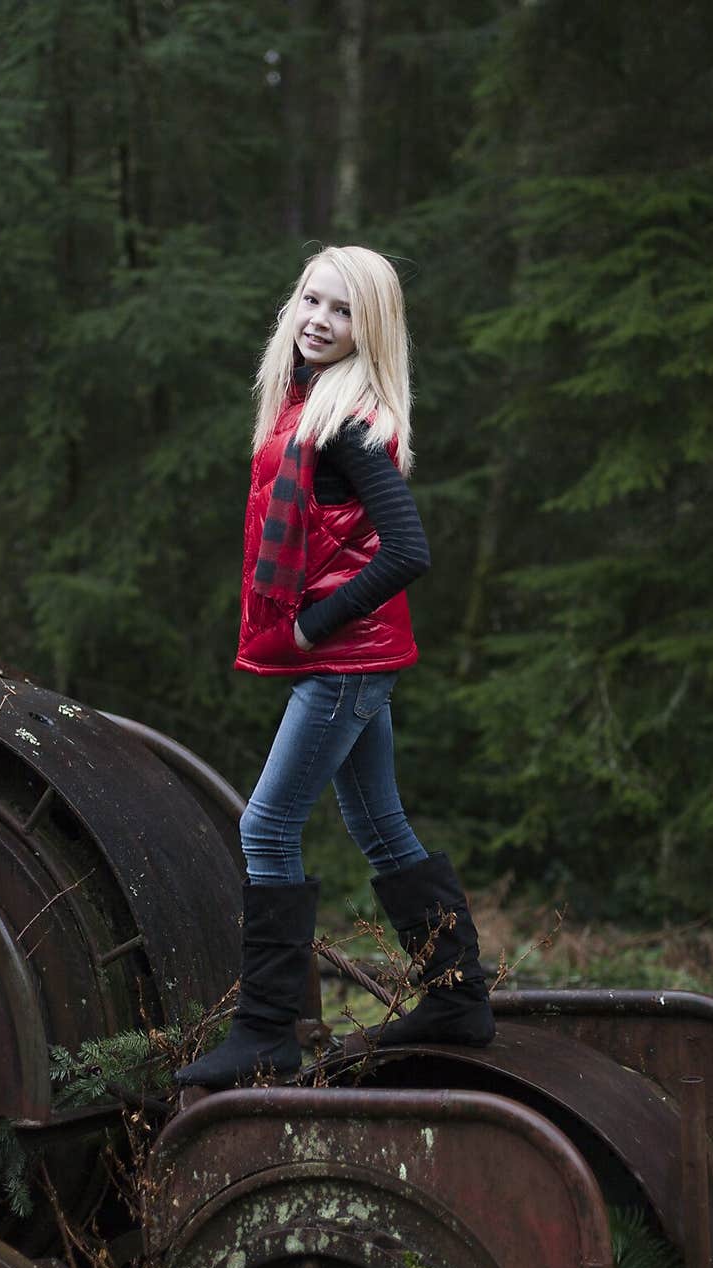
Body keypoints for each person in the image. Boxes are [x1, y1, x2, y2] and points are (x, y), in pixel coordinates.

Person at [175, 245, 495, 1090]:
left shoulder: (345, 424)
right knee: (379, 825)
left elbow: (408, 552)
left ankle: (267, 1030)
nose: (320, 320)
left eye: (343, 311)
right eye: (312, 301)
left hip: (347, 663)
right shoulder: (303, 405)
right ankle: (457, 997)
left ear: (371, 328)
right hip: (359, 661)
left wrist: (313, 630)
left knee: (265, 829)